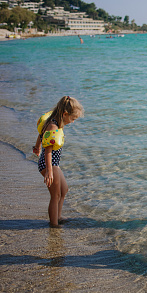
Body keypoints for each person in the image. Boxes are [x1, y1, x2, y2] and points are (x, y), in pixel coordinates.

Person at [32, 96, 84, 228]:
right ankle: (54, 224)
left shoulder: (54, 120)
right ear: (65, 114)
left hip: (53, 164)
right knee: (55, 195)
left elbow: (40, 134)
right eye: (72, 119)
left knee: (64, 190)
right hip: (49, 163)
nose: (72, 122)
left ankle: (58, 216)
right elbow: (48, 151)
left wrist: (37, 146)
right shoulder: (53, 126)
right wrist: (49, 171)